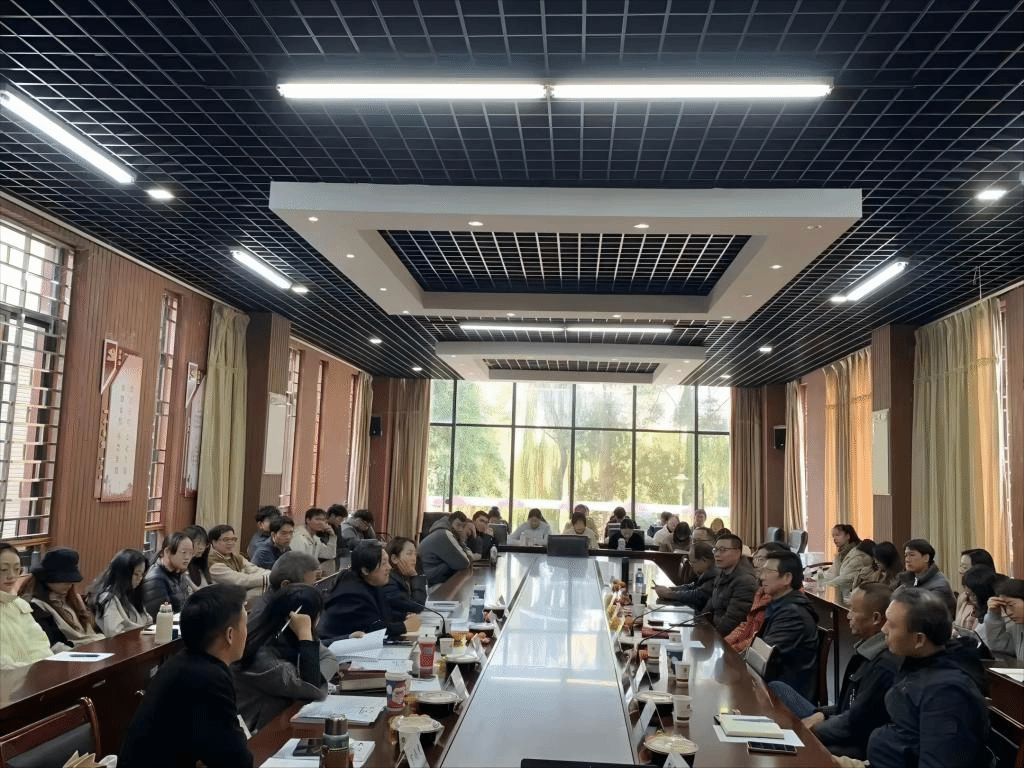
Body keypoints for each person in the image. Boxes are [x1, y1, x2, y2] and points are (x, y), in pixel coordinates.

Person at [118, 584, 254, 768]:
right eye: (245, 624)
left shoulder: (185, 662)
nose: (247, 632)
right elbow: (237, 760)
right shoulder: (207, 678)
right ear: (230, 635)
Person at [859, 588, 989, 768]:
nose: (883, 629)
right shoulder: (916, 663)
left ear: (919, 640)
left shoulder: (947, 694)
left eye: (892, 624)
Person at [773, 584, 898, 760]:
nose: (848, 616)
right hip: (838, 719)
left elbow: (854, 723)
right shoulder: (866, 651)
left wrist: (810, 731)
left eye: (853, 610)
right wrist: (821, 714)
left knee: (794, 747)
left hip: (853, 742)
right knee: (777, 687)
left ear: (876, 618)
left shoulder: (883, 665)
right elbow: (845, 706)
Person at [234, 584, 339, 731]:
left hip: (284, 721)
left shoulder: (288, 635)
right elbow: (313, 689)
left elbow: (329, 658)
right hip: (259, 734)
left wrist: (313, 674)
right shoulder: (261, 655)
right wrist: (305, 635)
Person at [319, 540, 421, 643]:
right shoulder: (350, 594)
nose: (389, 567)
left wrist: (404, 617)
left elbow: (380, 617)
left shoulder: (371, 583)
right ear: (365, 570)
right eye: (384, 563)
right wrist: (404, 626)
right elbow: (371, 630)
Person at [753, 551, 819, 699]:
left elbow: (761, 657)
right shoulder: (781, 605)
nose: (762, 577)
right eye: (762, 571)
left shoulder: (793, 614)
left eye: (768, 572)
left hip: (785, 696)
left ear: (787, 578)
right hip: (771, 686)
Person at [19, 547, 104, 651]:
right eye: (64, 580)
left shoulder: (74, 600)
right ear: (47, 578)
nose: (69, 584)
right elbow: (50, 644)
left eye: (71, 580)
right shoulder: (35, 606)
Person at [723, 541, 789, 653]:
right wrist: (724, 644)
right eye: (756, 558)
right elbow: (746, 627)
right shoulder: (762, 591)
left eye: (761, 559)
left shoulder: (785, 601)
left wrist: (731, 651)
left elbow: (761, 642)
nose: (755, 564)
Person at [0, 541, 52, 668]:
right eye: (4, 569)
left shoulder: (19, 605)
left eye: (17, 569)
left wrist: (39, 669)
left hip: (33, 675)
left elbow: (40, 644)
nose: (11, 576)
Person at [89, 548, 150, 636]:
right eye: (136, 574)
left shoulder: (132, 594)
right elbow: (113, 633)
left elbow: (148, 620)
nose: (139, 579)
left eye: (142, 575)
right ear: (123, 574)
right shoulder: (108, 598)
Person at [248, 551, 321, 624]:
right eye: (310, 587)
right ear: (286, 586)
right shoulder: (272, 620)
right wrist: (305, 631)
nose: (314, 590)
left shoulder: (276, 600)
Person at [708, 533, 758, 638]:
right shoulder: (722, 572)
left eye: (723, 550)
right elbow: (711, 606)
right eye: (715, 550)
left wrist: (712, 638)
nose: (717, 554)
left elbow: (733, 619)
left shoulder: (745, 580)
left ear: (737, 553)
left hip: (730, 637)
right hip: (716, 631)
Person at [207, 524, 269, 601]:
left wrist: (275, 575)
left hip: (239, 593)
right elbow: (241, 580)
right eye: (226, 540)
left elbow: (255, 570)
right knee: (265, 588)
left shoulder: (237, 558)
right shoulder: (213, 563)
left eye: (233, 539)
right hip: (223, 600)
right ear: (213, 542)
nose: (231, 543)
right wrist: (271, 578)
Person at [896, 538, 955, 616]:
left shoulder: (940, 585)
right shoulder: (906, 579)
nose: (907, 559)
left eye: (912, 555)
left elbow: (923, 613)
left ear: (926, 558)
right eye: (906, 555)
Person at [141, 531, 193, 618]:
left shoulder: (178, 573)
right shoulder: (155, 579)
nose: (187, 557)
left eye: (191, 553)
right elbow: (160, 617)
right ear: (167, 551)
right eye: (184, 552)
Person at [653, 540, 718, 609]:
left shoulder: (714, 575)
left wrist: (669, 594)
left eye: (693, 562)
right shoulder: (705, 572)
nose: (691, 566)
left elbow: (696, 596)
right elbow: (691, 586)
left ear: (704, 560)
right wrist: (670, 589)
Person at [419, 514, 473, 585]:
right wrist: (462, 543)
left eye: (463, 526)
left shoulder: (440, 532)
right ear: (450, 522)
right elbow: (465, 563)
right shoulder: (444, 534)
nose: (460, 529)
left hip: (432, 579)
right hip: (432, 584)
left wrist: (460, 540)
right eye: (458, 525)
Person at [384, 537, 427, 615]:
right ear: (394, 559)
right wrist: (415, 576)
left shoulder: (402, 576)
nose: (414, 559)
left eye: (415, 554)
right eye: (409, 554)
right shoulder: (389, 582)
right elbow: (417, 606)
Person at [291, 507, 339, 575]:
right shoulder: (298, 538)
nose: (321, 523)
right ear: (308, 520)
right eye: (317, 519)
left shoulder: (315, 539)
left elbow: (330, 555)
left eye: (323, 520)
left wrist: (332, 537)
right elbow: (298, 563)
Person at [823, 525, 872, 592]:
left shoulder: (858, 554)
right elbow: (832, 573)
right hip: (844, 591)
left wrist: (825, 584)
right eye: (833, 536)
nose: (834, 538)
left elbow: (846, 579)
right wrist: (815, 579)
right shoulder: (841, 554)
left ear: (848, 536)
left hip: (856, 593)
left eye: (837, 535)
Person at [984, 577, 1024, 659]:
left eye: (1011, 605)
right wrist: (994, 615)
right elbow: (1001, 649)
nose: (1008, 612)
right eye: (1004, 607)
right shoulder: (1017, 626)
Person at [955, 548, 995, 627]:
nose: (960, 571)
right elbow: (956, 627)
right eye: (960, 566)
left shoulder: (994, 603)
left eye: (964, 567)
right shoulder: (963, 597)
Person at [957, 565, 1002, 632]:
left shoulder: (996, 611)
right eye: (968, 594)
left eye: (973, 595)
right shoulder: (966, 602)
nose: (971, 598)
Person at [183, 524, 213, 593]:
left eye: (204, 544)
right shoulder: (179, 568)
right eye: (198, 544)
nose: (201, 548)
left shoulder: (199, 566)